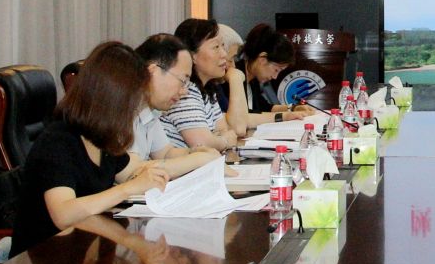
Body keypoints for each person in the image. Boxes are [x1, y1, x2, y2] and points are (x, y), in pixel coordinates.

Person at [11, 40, 172, 254]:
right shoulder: (58, 141)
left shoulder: (101, 138)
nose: (135, 108)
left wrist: (155, 173)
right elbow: (63, 214)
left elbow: (131, 170)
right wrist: (127, 189)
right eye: (134, 100)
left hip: (82, 249)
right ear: (114, 100)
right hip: (42, 260)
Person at [134, 34, 230, 165]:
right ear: (153, 72)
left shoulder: (151, 111)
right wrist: (196, 159)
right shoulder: (124, 109)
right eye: (182, 81)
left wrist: (195, 152)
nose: (184, 91)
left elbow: (165, 153)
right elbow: (132, 170)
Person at [167, 18, 243, 151]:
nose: (224, 54)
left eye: (222, 46)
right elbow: (203, 144)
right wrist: (224, 140)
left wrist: (217, 138)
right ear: (192, 56)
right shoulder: (184, 91)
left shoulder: (207, 90)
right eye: (216, 47)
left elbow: (224, 129)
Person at [229, 23, 312, 130]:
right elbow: (245, 116)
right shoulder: (234, 77)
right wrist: (285, 116)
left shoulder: (253, 78)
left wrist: (293, 108)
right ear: (262, 60)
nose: (275, 77)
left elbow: (265, 107)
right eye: (276, 70)